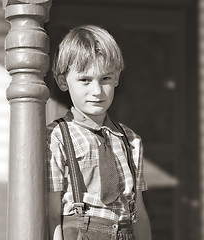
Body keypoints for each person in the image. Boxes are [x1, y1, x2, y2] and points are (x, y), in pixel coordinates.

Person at [47, 25, 152, 240]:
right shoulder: (56, 136)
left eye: (105, 79)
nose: (96, 91)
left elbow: (139, 213)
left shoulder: (131, 141)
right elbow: (51, 214)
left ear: (116, 79)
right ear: (62, 81)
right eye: (85, 80)